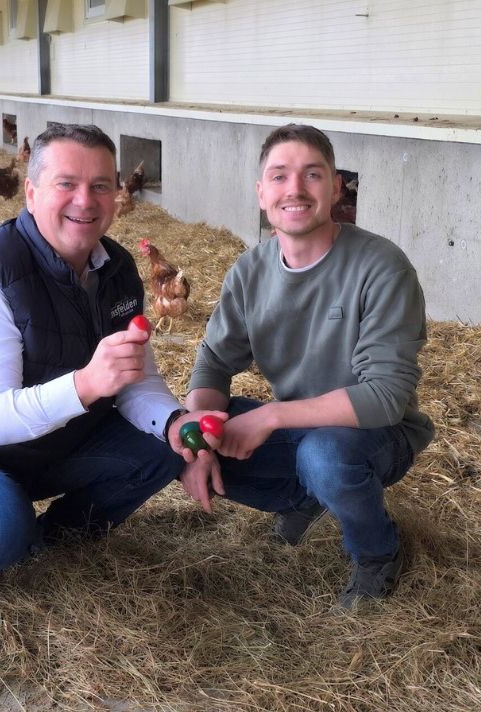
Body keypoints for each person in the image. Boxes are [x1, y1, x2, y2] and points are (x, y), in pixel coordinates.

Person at [0, 124, 217, 590]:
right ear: (31, 192)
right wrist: (87, 384)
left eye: (100, 185)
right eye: (67, 183)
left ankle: (50, 545)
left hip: (46, 442)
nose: (85, 200)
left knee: (160, 449)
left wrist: (174, 423)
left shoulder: (118, 270)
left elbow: (135, 378)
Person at [176, 124, 435, 610]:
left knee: (325, 456)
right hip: (303, 426)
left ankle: (378, 554)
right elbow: (213, 361)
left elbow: (385, 397)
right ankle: (305, 499)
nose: (294, 189)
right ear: (261, 193)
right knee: (177, 433)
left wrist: (271, 415)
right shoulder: (250, 271)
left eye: (312, 174)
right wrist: (199, 439)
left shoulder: (381, 267)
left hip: (379, 434)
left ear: (336, 188)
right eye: (279, 176)